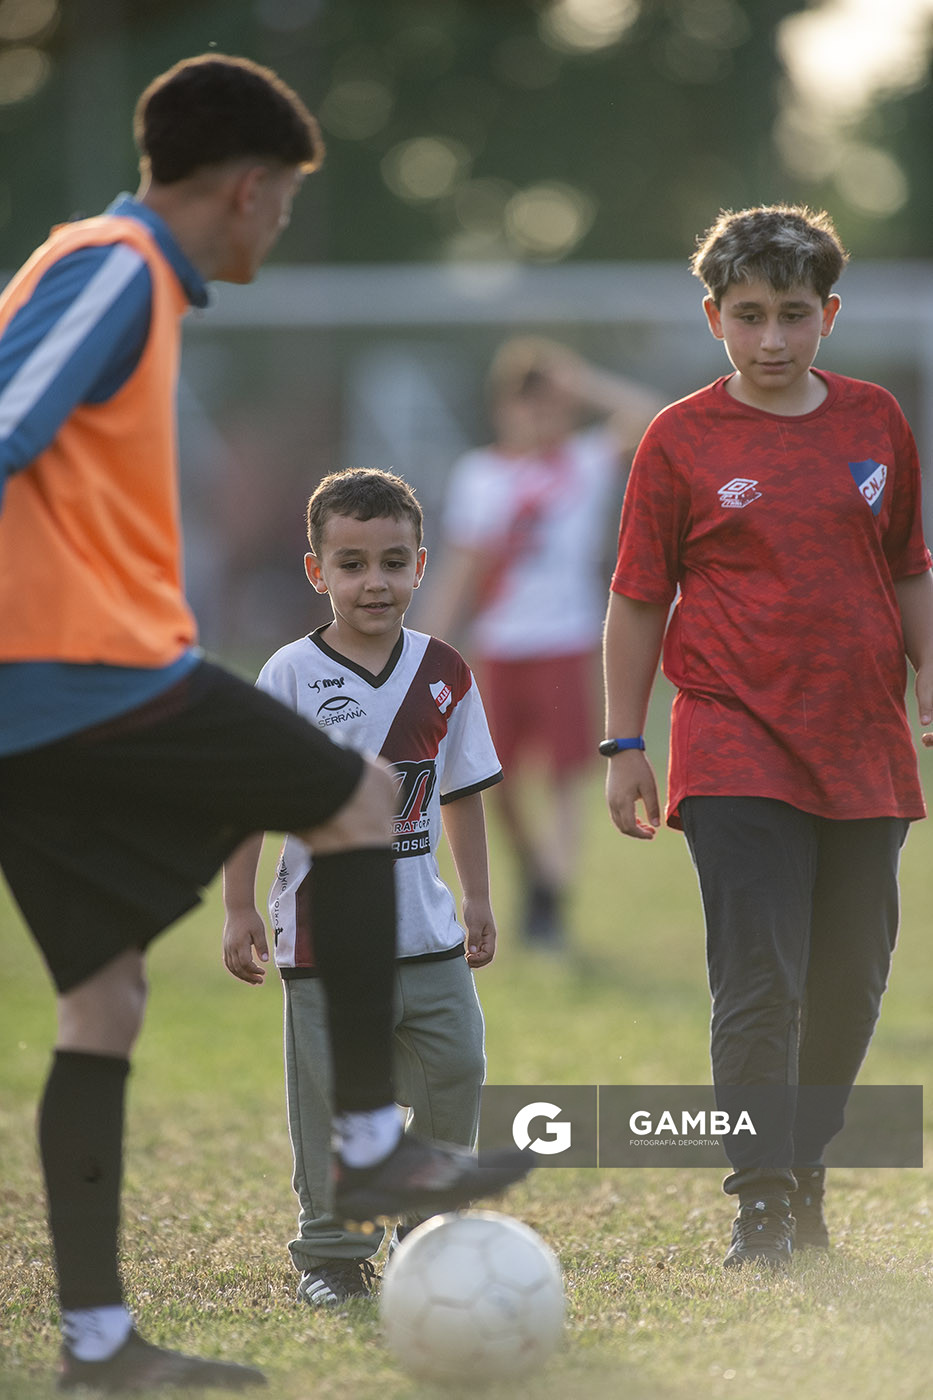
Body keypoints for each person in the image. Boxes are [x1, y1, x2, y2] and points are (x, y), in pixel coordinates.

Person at [0, 55, 527, 1393]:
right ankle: (364, 1142)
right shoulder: (117, 264)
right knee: (351, 797)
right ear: (246, 188)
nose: (283, 225)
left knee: (104, 1001)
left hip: (39, 701)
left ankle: (99, 1346)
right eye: (285, 199)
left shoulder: (115, 272)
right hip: (89, 675)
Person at [602, 204, 933, 1269]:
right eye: (750, 315)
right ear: (714, 318)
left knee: (853, 979)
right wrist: (624, 740)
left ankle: (806, 1166)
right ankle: (761, 1203)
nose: (774, 338)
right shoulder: (680, 439)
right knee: (760, 976)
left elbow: (908, 568)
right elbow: (639, 597)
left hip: (866, 743)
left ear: (830, 313)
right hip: (732, 736)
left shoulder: (878, 420)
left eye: (795, 313)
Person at [223, 468, 502, 1306]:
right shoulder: (290, 675)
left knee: (459, 1068)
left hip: (427, 928)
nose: (373, 581)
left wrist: (478, 896)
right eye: (351, 563)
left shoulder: (445, 669)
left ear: (421, 565)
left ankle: (425, 1220)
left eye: (392, 561)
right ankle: (331, 1256)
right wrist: (239, 906)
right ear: (317, 572)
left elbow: (460, 791)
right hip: (323, 935)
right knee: (333, 1101)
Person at [426, 338, 661, 947]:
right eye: (525, 403)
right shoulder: (481, 473)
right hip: (502, 644)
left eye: (549, 404)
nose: (537, 416)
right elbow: (464, 565)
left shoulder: (583, 461)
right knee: (491, 779)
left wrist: (583, 381)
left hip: (566, 640)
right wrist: (426, 641)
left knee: (562, 777)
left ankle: (552, 898)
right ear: (503, 407)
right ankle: (534, 872)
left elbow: (656, 416)